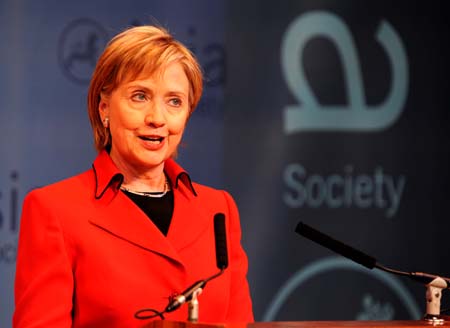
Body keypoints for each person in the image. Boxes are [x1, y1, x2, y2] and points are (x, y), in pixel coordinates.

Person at [13, 25, 254, 327]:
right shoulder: (54, 210)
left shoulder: (218, 209)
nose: (157, 118)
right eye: (140, 96)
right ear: (104, 109)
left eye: (174, 101)